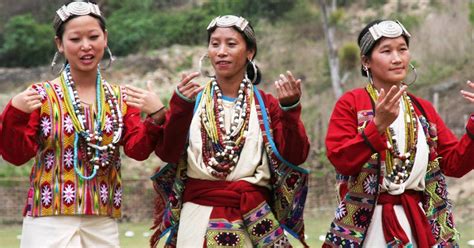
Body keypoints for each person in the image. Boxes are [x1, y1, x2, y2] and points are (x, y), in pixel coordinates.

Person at [0, 1, 166, 247]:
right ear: (60, 43)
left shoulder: (121, 99)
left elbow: (137, 151)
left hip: (102, 217)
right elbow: (15, 155)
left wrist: (157, 116)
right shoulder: (40, 96)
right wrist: (15, 113)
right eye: (75, 39)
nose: (86, 46)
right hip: (49, 218)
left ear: (105, 38)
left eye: (93, 36)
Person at [150, 15, 310, 247]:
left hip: (253, 217)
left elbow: (296, 156)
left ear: (250, 52)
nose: (221, 51)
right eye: (215, 44)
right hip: (197, 216)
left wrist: (290, 109)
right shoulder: (193, 101)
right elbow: (167, 153)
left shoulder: (266, 105)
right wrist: (180, 107)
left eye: (231, 44)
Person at [323, 19, 474, 247]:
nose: (397, 58)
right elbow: (341, 159)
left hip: (417, 223)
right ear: (366, 61)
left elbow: (454, 164)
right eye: (386, 51)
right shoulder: (352, 103)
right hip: (367, 226)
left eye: (402, 49)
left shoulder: (422, 109)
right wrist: (377, 127)